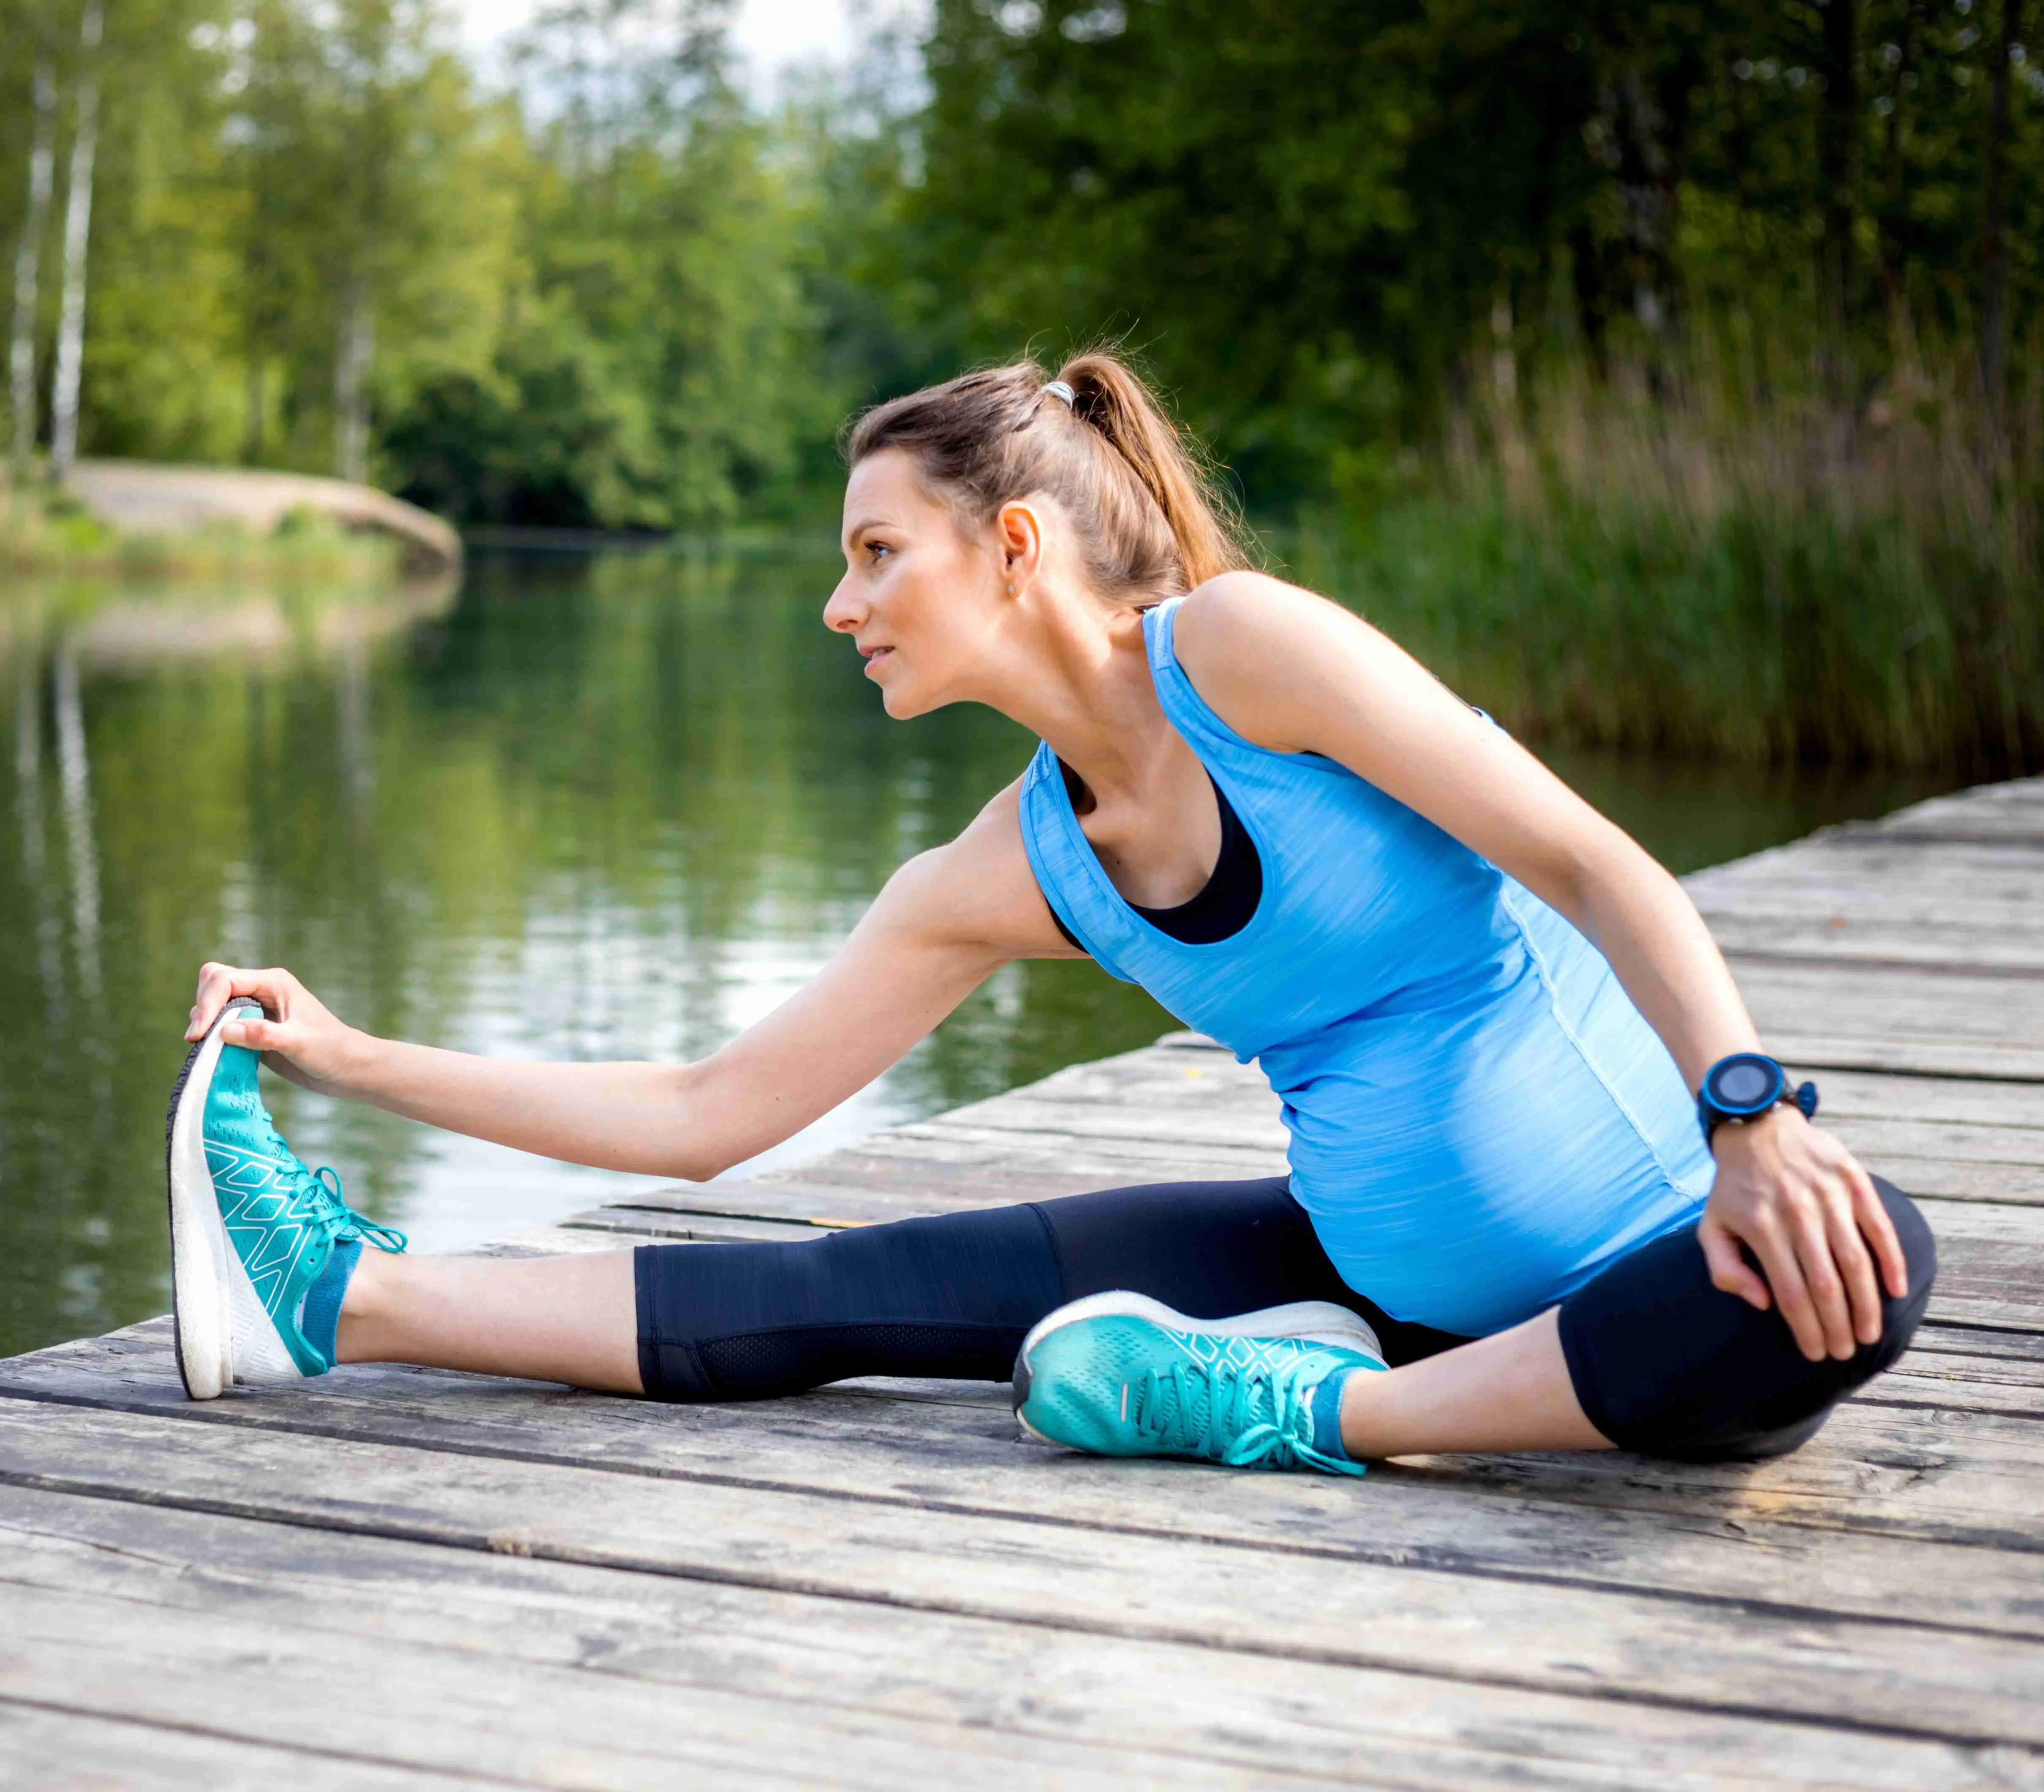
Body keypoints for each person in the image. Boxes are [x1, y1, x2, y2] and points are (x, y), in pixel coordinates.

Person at [163, 352, 1933, 1475]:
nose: (837, 603)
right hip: (1364, 1265)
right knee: (852, 1286)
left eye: (875, 552)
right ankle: (339, 1296)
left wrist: (1751, 1116)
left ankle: (1297, 1410)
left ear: (1012, 548)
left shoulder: (1248, 657)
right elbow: (704, 1118)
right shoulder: (1008, 870)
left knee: (1863, 1273)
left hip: (1648, 1250)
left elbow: (1591, 862)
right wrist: (345, 1055)